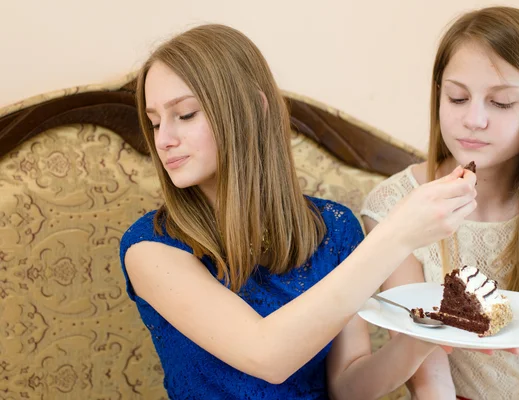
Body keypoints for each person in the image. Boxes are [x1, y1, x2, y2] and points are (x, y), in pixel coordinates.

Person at [119, 24, 479, 400]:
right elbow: (268, 356)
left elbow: (349, 388)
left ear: (255, 109)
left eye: (186, 114)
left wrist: (427, 336)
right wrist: (398, 234)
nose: (163, 139)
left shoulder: (334, 230)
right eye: (155, 121)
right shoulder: (150, 248)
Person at [361, 6, 519, 400]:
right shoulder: (395, 205)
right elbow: (429, 380)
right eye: (457, 98)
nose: (473, 119)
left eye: (501, 103)